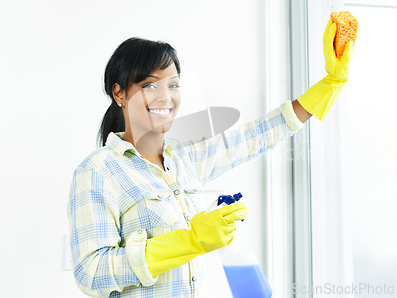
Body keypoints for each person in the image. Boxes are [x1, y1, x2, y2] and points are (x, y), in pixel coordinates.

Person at [66, 18, 353, 297]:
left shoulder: (183, 158)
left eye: (173, 85)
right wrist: (191, 240)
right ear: (119, 93)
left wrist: (329, 84)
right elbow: (91, 273)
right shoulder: (98, 171)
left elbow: (254, 137)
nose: (165, 96)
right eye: (150, 85)